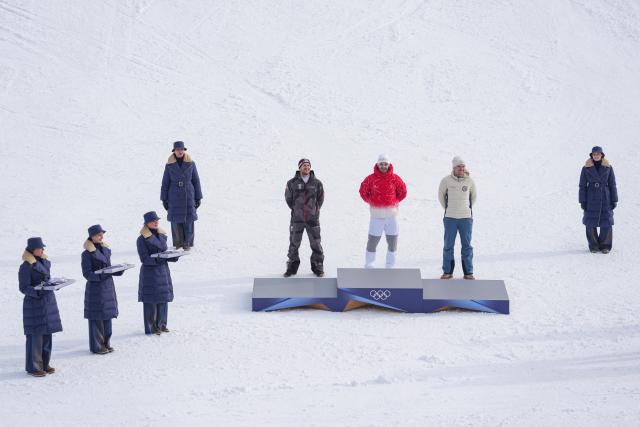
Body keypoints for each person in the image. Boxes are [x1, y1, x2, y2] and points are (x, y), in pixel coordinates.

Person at [19, 237, 62, 377]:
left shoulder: (44, 262)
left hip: (48, 303)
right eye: (39, 248)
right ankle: (34, 367)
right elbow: (24, 287)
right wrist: (38, 291)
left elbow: (46, 280)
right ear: (32, 249)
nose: (42, 250)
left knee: (47, 334)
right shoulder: (26, 266)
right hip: (34, 305)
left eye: (43, 248)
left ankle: (44, 363)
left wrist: (54, 285)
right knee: (35, 337)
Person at [359, 154, 407, 268]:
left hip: (391, 216)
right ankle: (369, 263)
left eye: (385, 164)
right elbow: (363, 191)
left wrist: (395, 201)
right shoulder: (370, 179)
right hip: (376, 216)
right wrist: (370, 201)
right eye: (381, 164)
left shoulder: (395, 178)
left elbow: (403, 191)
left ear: (388, 165)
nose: (383, 166)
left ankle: (391, 263)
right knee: (373, 240)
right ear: (378, 164)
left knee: (392, 240)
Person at [81, 224, 122, 354]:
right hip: (95, 289)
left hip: (108, 287)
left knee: (107, 316)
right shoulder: (87, 254)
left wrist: (118, 271)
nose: (101, 236)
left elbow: (108, 268)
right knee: (97, 318)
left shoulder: (105, 250)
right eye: (98, 234)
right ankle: (97, 346)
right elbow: (87, 274)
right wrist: (103, 275)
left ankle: (106, 343)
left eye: (102, 234)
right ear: (92, 237)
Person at [136, 211, 178, 335]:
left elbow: (164, 253)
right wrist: (161, 258)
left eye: (157, 220)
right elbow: (144, 259)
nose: (156, 222)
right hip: (150, 273)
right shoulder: (141, 239)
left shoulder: (162, 235)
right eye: (153, 221)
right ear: (146, 223)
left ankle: (162, 324)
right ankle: (151, 327)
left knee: (163, 298)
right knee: (151, 300)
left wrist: (174, 256)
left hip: (163, 271)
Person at [284, 158, 325, 277]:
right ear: (299, 167)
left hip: (312, 219)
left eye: (308, 165)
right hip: (297, 219)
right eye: (304, 166)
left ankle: (318, 266)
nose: (306, 167)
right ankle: (292, 267)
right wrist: (296, 209)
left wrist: (314, 210)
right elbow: (288, 199)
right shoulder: (291, 183)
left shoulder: (317, 183)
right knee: (294, 243)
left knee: (316, 243)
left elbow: (320, 199)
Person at [438, 156, 477, 280]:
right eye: (459, 166)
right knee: (448, 245)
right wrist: (448, 208)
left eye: (463, 166)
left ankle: (468, 272)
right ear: (454, 167)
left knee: (467, 245)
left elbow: (474, 197)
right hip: (450, 218)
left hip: (466, 218)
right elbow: (441, 196)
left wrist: (466, 209)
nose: (461, 168)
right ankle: (447, 271)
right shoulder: (446, 180)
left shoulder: (470, 181)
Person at [161, 141, 203, 250]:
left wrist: (198, 197)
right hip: (174, 195)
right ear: (174, 151)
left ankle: (187, 243)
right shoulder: (169, 165)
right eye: (177, 149)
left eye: (181, 149)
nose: (180, 151)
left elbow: (196, 181)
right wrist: (164, 199)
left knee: (189, 219)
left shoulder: (191, 163)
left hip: (188, 194)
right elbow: (165, 182)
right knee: (176, 220)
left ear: (184, 150)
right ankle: (178, 243)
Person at [579, 146, 618, 253]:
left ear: (602, 155)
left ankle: (605, 245)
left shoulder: (608, 168)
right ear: (592, 155)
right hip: (591, 197)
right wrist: (582, 201)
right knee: (590, 222)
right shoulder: (585, 168)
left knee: (607, 221)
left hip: (605, 197)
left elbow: (612, 184)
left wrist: (614, 199)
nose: (596, 156)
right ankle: (593, 245)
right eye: (594, 154)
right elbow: (582, 186)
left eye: (598, 154)